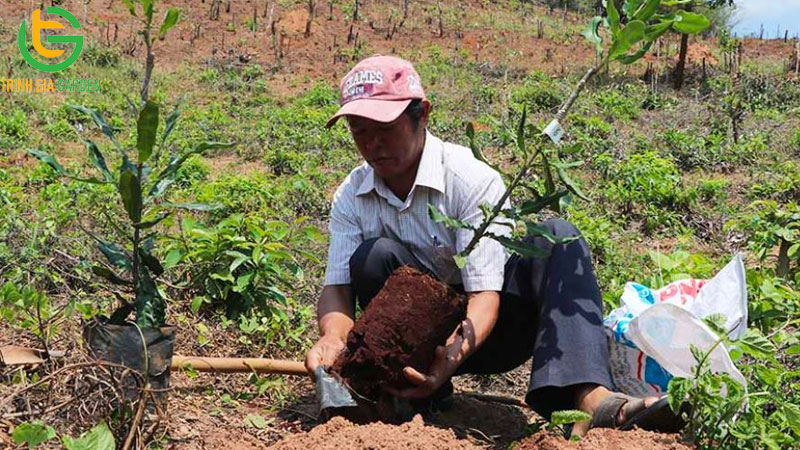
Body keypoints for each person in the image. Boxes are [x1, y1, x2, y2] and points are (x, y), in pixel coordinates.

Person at [304, 55, 683, 436]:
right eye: (359, 131)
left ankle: (590, 399)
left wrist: (448, 359)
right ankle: (406, 391)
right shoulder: (353, 194)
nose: (372, 144)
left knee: (558, 236)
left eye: (383, 128)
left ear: (422, 115)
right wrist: (334, 337)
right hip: (417, 339)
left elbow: (485, 296)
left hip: (493, 327)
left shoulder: (469, 179)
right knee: (375, 257)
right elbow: (336, 288)